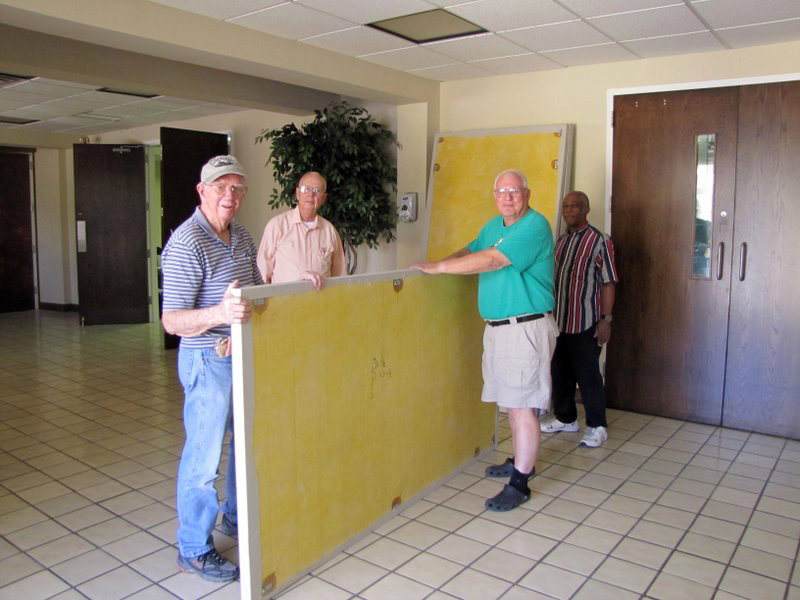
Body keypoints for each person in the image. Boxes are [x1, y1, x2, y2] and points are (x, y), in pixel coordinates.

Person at [413, 169, 558, 512]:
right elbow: (473, 249)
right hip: (498, 329)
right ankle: (523, 460)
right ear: (494, 196)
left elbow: (493, 260)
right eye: (501, 191)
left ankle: (520, 484)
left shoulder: (535, 226)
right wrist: (440, 262)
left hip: (525, 328)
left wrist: (440, 270)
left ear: (528, 193)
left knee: (522, 406)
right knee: (512, 401)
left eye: (514, 190)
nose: (507, 196)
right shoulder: (493, 227)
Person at [161, 155, 261, 582]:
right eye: (221, 187)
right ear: (202, 191)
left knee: (242, 443)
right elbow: (172, 320)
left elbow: (256, 290)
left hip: (240, 354)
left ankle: (235, 520)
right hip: (206, 358)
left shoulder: (241, 236)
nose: (230, 196)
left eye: (237, 188)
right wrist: (220, 310)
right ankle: (194, 548)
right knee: (204, 458)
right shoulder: (186, 243)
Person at [539, 191, 619, 447]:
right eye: (566, 206)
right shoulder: (560, 242)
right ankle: (566, 418)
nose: (569, 209)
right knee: (559, 373)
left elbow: (609, 282)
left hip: (586, 322)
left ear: (586, 209)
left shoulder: (599, 241)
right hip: (559, 321)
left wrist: (606, 319)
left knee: (588, 376)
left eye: (575, 205)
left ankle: (597, 426)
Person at [257, 171, 346, 289]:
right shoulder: (277, 226)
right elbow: (262, 275)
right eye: (305, 189)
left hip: (321, 304)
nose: (310, 194)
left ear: (323, 198)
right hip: (285, 303)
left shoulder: (330, 231)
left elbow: (340, 277)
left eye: (316, 190)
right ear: (297, 193)